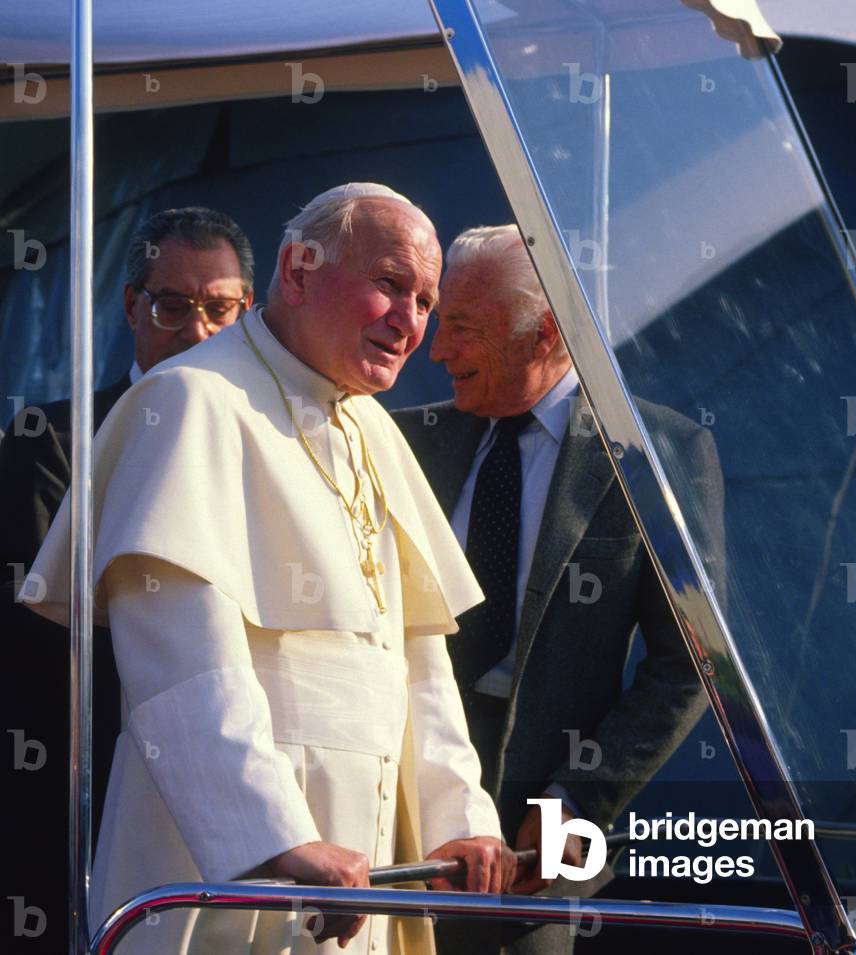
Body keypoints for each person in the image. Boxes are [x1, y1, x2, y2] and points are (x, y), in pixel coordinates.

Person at [21, 185, 505, 955]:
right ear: (299, 268)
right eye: (389, 282)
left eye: (423, 299)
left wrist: (461, 820)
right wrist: (276, 838)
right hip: (231, 868)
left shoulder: (374, 431)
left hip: (365, 870)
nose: (410, 319)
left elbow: (417, 660)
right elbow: (181, 659)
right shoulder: (186, 400)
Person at [393, 225, 725, 955]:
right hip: (398, 829)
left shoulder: (656, 455)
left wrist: (578, 800)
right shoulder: (404, 440)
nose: (437, 349)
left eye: (462, 328)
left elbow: (691, 663)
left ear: (543, 333)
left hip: (533, 859)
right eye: (439, 320)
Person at [0, 206, 254, 954]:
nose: (198, 330)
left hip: (235, 814)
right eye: (173, 305)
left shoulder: (268, 451)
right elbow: (45, 638)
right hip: (80, 805)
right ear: (131, 305)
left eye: (221, 309)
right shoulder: (53, 441)